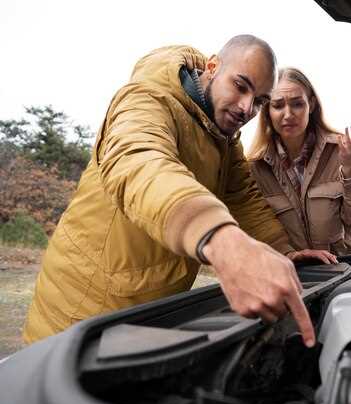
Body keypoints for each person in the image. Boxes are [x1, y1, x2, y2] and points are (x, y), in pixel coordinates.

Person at [23, 36, 321, 347]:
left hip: (148, 314)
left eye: (259, 101)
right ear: (212, 67)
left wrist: (283, 252)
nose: (247, 108)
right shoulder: (146, 99)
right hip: (80, 312)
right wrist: (223, 242)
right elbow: (141, 165)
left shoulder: (225, 135)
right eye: (240, 86)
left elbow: (243, 200)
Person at [247, 68, 351, 256]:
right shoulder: (254, 168)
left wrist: (350, 169)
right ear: (267, 111)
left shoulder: (342, 151)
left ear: (311, 104)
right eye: (278, 106)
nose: (288, 114)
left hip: (350, 272)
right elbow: (256, 234)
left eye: (297, 104)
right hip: (296, 277)